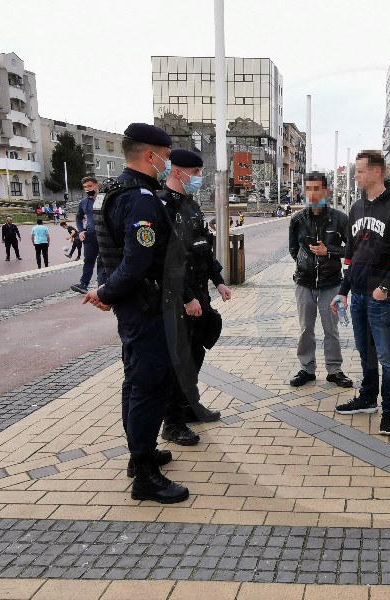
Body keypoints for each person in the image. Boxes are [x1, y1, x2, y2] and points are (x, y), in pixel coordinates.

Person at [82, 122, 189, 504]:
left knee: (134, 381)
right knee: (150, 387)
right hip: (146, 308)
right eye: (166, 157)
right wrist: (107, 293)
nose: (167, 164)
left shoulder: (114, 191)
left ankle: (137, 454)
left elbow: (107, 253)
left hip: (134, 306)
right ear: (151, 155)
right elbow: (136, 262)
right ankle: (144, 473)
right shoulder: (141, 198)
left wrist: (108, 293)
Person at [331, 151, 390, 436]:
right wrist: (343, 291)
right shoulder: (356, 208)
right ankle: (368, 398)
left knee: (386, 356)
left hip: (381, 297)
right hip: (357, 296)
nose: (355, 176)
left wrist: (385, 288)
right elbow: (350, 253)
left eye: (359, 171)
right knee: (364, 351)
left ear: (376, 172)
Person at [159, 148, 229, 446]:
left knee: (196, 353)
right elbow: (166, 261)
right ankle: (172, 423)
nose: (199, 178)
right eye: (197, 173)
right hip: (179, 300)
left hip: (199, 295)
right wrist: (187, 297)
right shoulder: (162, 206)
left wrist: (219, 281)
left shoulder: (192, 206)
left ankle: (189, 406)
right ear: (179, 172)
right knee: (179, 361)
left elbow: (204, 249)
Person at [288, 171, 352, 390]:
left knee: (331, 329)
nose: (313, 194)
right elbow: (293, 249)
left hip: (331, 283)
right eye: (309, 189)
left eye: (317, 189)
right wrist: (304, 262)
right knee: (306, 329)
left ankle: (334, 370)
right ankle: (307, 369)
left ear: (326, 191)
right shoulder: (297, 220)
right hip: (304, 283)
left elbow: (351, 249)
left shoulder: (340, 218)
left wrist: (329, 252)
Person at [71, 176, 107, 294]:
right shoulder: (84, 202)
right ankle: (83, 284)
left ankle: (102, 286)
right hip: (90, 235)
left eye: (90, 186)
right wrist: (81, 230)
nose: (87, 189)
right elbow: (78, 217)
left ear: (97, 185)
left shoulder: (106, 198)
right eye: (85, 187)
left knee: (102, 261)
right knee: (88, 260)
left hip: (105, 234)